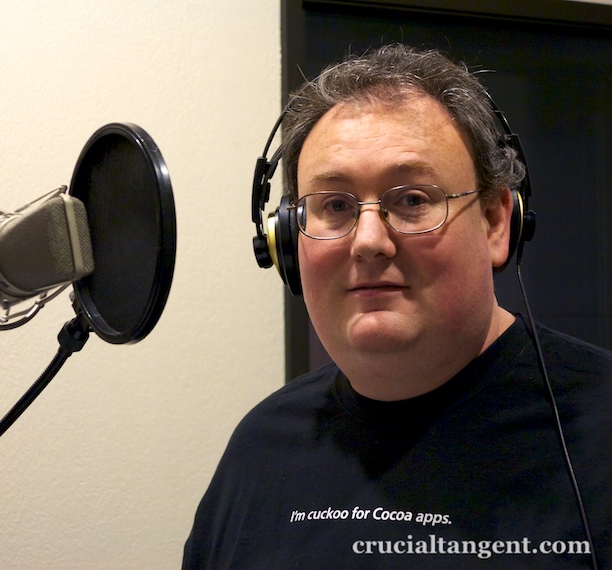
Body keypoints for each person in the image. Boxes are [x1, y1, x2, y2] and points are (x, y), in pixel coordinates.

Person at [183, 44, 612, 568]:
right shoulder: (259, 450)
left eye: (412, 200)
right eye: (335, 206)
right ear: (284, 242)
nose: (368, 241)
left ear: (498, 222)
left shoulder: (597, 430)